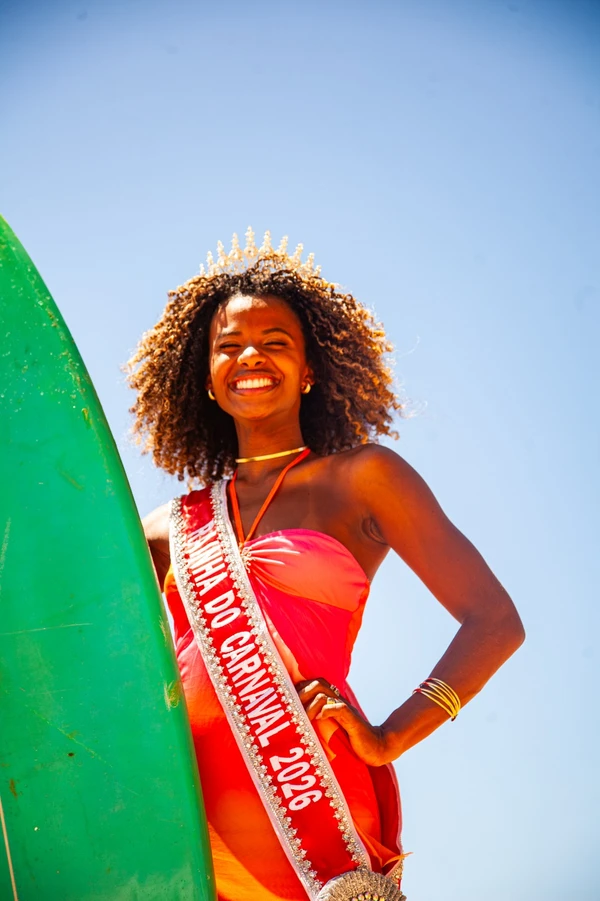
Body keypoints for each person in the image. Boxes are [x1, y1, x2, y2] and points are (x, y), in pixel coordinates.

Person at [128, 229, 524, 901]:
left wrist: (390, 735)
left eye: (275, 342)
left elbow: (495, 621)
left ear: (310, 368)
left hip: (312, 803)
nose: (250, 356)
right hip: (188, 821)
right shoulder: (169, 527)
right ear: (206, 378)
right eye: (229, 346)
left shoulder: (363, 479)